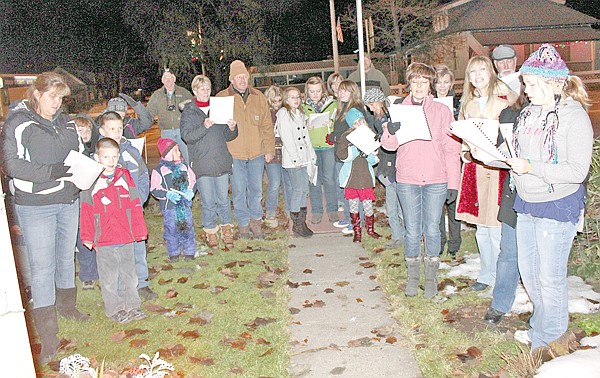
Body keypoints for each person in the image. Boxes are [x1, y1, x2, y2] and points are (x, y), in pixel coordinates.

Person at [506, 44, 593, 350]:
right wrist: (488, 153)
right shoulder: (529, 113)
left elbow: (577, 170)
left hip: (556, 205)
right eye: (525, 84)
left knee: (549, 278)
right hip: (527, 203)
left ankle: (549, 341)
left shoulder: (574, 117)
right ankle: (540, 326)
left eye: (530, 84)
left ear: (552, 82)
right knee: (530, 274)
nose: (525, 90)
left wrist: (531, 167)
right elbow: (517, 155)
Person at [1, 72, 88, 363]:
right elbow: (12, 165)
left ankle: (67, 307)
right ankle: (48, 333)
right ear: (37, 94)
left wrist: (80, 173)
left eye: (61, 98)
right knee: (42, 267)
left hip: (67, 198)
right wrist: (49, 173)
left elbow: (78, 151)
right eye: (52, 97)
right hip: (36, 204)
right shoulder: (18, 122)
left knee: (65, 257)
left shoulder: (66, 121)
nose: (57, 103)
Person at [380, 63, 461, 298]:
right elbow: (388, 146)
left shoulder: (442, 112)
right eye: (415, 81)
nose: (418, 86)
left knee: (432, 229)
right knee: (412, 230)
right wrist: (390, 131)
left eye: (424, 82)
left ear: (430, 85)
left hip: (436, 179)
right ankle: (413, 277)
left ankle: (431, 277)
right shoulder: (399, 108)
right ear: (409, 84)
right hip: (408, 179)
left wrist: (453, 183)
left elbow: (451, 150)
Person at [455, 56, 518, 292]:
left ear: (490, 72)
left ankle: (503, 276)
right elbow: (463, 136)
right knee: (482, 228)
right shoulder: (468, 104)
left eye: (482, 70)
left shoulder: (506, 97)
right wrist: (467, 153)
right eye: (473, 72)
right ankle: (486, 273)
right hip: (478, 170)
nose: (478, 75)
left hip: (499, 168)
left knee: (497, 227)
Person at [80, 137, 148, 324]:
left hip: (126, 236)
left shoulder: (125, 177)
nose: (110, 161)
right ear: (97, 157)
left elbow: (135, 205)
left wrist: (139, 230)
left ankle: (133, 306)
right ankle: (115, 309)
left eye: (114, 157)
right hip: (104, 239)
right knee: (109, 277)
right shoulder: (91, 182)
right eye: (106, 157)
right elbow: (85, 210)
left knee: (129, 274)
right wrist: (87, 235)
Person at [483, 49, 526, 325]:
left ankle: (543, 308)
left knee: (536, 257)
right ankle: (500, 304)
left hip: (540, 194)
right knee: (508, 252)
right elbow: (498, 148)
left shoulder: (550, 115)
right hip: (514, 192)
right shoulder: (508, 115)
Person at [98, 111, 157, 300]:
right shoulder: (98, 157)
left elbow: (142, 175)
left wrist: (139, 199)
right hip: (112, 215)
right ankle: (122, 288)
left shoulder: (130, 151)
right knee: (117, 252)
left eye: (119, 128)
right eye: (112, 129)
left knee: (138, 246)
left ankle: (142, 283)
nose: (116, 133)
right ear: (102, 130)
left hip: (133, 211)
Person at [216, 60, 275, 239]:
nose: (242, 80)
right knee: (239, 190)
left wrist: (269, 149)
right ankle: (243, 223)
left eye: (244, 77)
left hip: (256, 153)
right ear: (231, 79)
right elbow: (217, 131)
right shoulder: (221, 98)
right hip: (234, 154)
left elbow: (266, 126)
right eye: (238, 77)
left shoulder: (258, 97)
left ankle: (255, 221)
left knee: (256, 189)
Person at [180, 75, 238, 249]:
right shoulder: (189, 112)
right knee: (208, 201)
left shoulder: (219, 107)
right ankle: (211, 231)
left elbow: (228, 136)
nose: (205, 92)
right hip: (202, 163)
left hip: (220, 161)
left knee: (223, 199)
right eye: (201, 89)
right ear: (195, 91)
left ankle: (227, 228)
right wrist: (204, 126)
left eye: (207, 88)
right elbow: (187, 136)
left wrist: (233, 127)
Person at [363, 87, 405, 248]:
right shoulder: (377, 119)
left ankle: (406, 235)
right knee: (391, 205)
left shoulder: (391, 115)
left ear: (380, 101)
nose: (371, 108)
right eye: (368, 105)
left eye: (372, 104)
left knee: (399, 205)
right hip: (385, 165)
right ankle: (397, 236)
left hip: (394, 165)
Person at [330, 80, 370, 235]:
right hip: (343, 155)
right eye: (340, 90)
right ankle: (349, 218)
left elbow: (362, 132)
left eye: (345, 91)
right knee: (347, 190)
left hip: (351, 157)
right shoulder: (344, 109)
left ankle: (356, 223)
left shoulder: (353, 110)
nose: (341, 93)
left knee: (353, 190)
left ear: (353, 92)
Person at [277, 87, 317, 237]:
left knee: (304, 189)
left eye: (297, 97)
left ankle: (302, 221)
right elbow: (287, 138)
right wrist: (296, 159)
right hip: (293, 159)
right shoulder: (284, 114)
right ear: (286, 100)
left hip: (304, 158)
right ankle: (297, 224)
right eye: (291, 97)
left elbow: (306, 137)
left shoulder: (299, 114)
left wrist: (311, 155)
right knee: (297, 190)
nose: (295, 100)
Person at [336, 108, 380, 243]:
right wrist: (356, 149)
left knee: (368, 205)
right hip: (352, 178)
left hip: (365, 177)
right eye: (355, 123)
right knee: (353, 205)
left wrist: (367, 154)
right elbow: (342, 156)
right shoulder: (346, 137)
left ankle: (370, 229)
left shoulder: (370, 134)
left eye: (361, 121)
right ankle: (357, 231)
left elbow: (375, 158)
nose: (359, 124)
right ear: (351, 125)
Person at [150, 138, 197, 259]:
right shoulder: (159, 170)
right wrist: (167, 195)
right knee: (171, 230)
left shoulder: (184, 167)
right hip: (169, 207)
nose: (179, 153)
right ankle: (174, 252)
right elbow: (154, 188)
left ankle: (189, 251)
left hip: (184, 205)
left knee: (187, 227)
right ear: (167, 154)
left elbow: (193, 180)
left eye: (178, 150)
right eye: (175, 150)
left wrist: (190, 191)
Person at [303, 77, 338, 225]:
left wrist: (331, 122)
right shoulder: (303, 106)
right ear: (307, 91)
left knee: (329, 179)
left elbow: (340, 121)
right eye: (312, 91)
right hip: (312, 148)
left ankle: (333, 210)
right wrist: (306, 125)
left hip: (328, 146)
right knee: (314, 180)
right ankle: (317, 211)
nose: (315, 94)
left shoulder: (333, 104)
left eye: (318, 91)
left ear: (322, 90)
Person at [434, 65, 462, 256]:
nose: (442, 86)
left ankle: (455, 243)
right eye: (439, 82)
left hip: (453, 154)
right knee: (436, 207)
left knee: (453, 204)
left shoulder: (458, 104)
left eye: (446, 82)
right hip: (435, 157)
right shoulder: (429, 104)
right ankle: (440, 240)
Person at [73, 115, 100, 290]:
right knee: (83, 237)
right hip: (79, 201)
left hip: (98, 199)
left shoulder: (98, 150)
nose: (84, 134)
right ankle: (88, 274)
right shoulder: (72, 152)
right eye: (79, 130)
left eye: (87, 130)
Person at [147, 69, 194, 164]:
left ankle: (189, 176)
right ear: (162, 80)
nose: (168, 79)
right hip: (166, 132)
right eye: (165, 77)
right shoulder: (157, 95)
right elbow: (149, 114)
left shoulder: (184, 93)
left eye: (170, 77)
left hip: (183, 132)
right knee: (169, 160)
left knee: (187, 157)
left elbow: (193, 110)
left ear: (174, 78)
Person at [263, 85, 291, 228]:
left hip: (286, 152)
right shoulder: (265, 114)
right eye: (273, 101)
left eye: (279, 101)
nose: (277, 104)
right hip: (272, 152)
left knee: (287, 182)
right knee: (274, 182)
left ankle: (289, 209)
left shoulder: (286, 112)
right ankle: (270, 210)